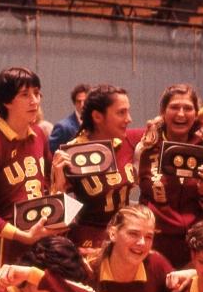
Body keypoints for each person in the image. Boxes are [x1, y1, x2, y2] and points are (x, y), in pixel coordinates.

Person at [0, 67, 60, 280]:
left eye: (37, 93)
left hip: (40, 242)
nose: (34, 101)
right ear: (6, 101)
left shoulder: (39, 134)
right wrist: (20, 235)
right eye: (25, 95)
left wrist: (60, 181)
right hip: (6, 246)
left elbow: (46, 185)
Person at [51, 84, 143, 254]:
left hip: (124, 237)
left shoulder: (129, 139)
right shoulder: (72, 153)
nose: (129, 119)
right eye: (121, 113)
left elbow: (164, 127)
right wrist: (58, 182)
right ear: (97, 116)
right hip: (88, 243)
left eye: (128, 111)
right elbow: (54, 218)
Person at [135, 84, 203, 268]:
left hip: (195, 245)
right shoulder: (145, 148)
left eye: (188, 108)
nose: (181, 114)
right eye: (174, 107)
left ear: (196, 113)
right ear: (163, 111)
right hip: (154, 241)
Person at [49, 83, 88, 152]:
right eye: (79, 101)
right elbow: (52, 152)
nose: (82, 105)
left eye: (85, 101)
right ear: (74, 103)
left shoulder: (95, 125)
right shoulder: (62, 127)